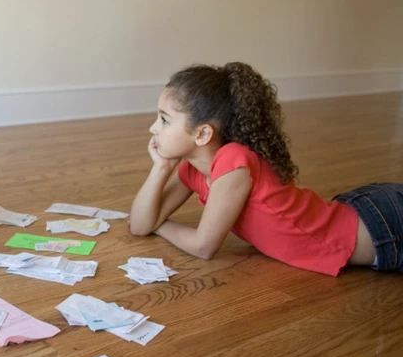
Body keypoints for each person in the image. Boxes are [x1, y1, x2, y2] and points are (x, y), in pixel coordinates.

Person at [128, 62, 402, 276]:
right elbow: (139, 226)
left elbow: (203, 246)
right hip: (363, 216)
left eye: (164, 120)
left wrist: (160, 224)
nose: (153, 128)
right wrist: (161, 169)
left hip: (384, 228)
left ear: (202, 134)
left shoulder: (234, 162)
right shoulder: (192, 170)